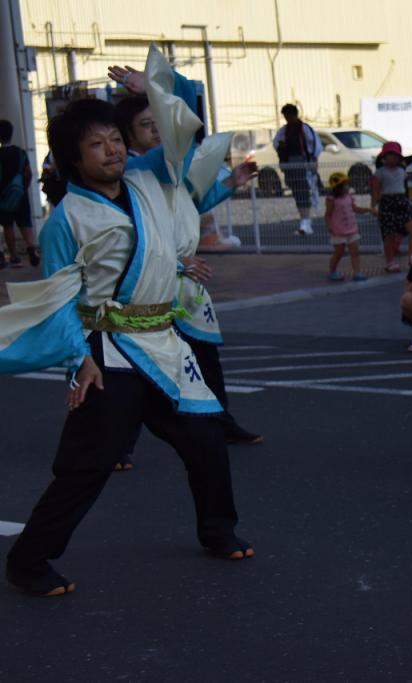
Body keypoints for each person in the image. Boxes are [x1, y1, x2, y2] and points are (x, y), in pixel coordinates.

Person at [0, 47, 254, 598]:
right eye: (97, 144)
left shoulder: (149, 176)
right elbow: (60, 297)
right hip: (109, 349)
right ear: (73, 161)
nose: (113, 149)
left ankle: (218, 528)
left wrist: (155, 87)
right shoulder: (68, 218)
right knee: (88, 464)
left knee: (207, 439)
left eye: (115, 138)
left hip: (165, 341)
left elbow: (186, 122)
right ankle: (28, 559)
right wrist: (79, 359)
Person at [113, 80, 264, 459]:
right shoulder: (134, 169)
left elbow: (188, 207)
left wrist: (230, 182)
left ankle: (220, 423)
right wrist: (154, 90)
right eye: (148, 124)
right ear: (128, 135)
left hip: (184, 278)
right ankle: (116, 443)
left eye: (157, 122)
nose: (158, 130)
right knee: (138, 364)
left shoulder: (163, 165)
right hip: (155, 279)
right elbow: (134, 232)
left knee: (200, 357)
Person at [372, 141, 412, 272]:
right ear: (384, 156)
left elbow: (405, 188)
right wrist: (373, 206)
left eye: (395, 155)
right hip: (387, 202)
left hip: (402, 200)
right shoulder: (379, 172)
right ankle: (390, 261)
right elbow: (376, 190)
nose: (392, 158)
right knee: (389, 234)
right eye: (389, 155)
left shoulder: (402, 171)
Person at [273, 103, 322, 236]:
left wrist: (314, 161)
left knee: (304, 192)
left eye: (289, 115)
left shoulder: (305, 129)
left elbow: (315, 146)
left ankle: (305, 222)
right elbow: (277, 144)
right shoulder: (284, 131)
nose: (287, 118)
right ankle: (304, 221)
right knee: (298, 193)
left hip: (304, 164)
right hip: (291, 165)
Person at [0, 119, 41, 269]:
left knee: (8, 225)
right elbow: (28, 172)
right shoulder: (20, 152)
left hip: (4, 196)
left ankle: (14, 257)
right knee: (25, 222)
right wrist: (24, 187)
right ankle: (31, 247)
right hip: (21, 193)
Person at [325, 171, 374, 281]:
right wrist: (329, 226)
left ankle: (357, 272)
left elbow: (355, 208)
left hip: (351, 229)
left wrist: (368, 210)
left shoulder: (349, 197)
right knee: (339, 252)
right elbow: (327, 214)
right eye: (345, 185)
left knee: (355, 252)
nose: (348, 187)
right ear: (338, 187)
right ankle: (332, 271)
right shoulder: (331, 200)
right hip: (338, 230)